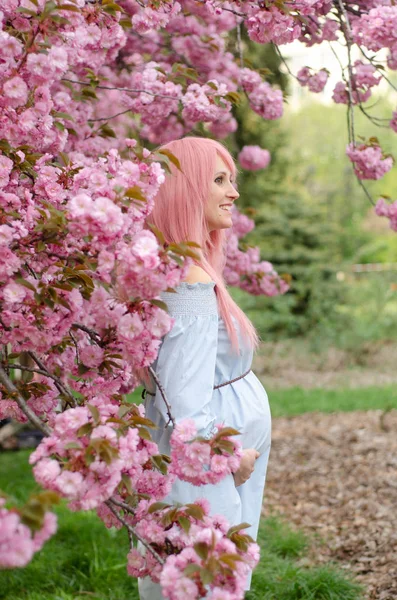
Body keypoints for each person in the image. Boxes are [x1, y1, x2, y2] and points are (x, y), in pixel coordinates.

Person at [139, 137, 271, 600]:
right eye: (219, 180)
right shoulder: (190, 283)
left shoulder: (184, 269)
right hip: (205, 465)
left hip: (206, 461)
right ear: (185, 189)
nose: (234, 192)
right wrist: (233, 457)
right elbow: (185, 402)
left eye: (232, 179)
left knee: (196, 571)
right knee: (207, 577)